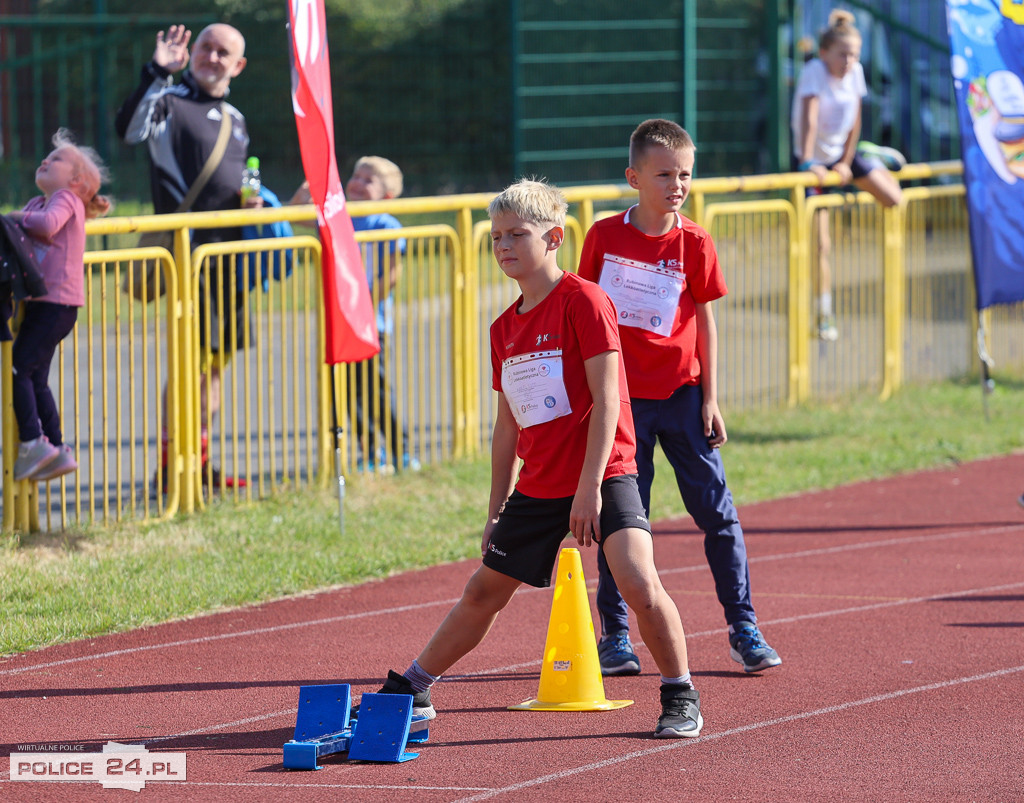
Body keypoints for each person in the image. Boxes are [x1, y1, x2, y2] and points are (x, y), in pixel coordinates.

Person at [355, 178, 704, 739]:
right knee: (482, 591)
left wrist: (591, 488)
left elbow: (610, 398)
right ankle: (415, 687)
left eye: (518, 234)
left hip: (606, 472)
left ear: (554, 237)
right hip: (540, 484)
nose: (505, 247)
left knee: (637, 581)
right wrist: (495, 509)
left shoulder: (585, 301)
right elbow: (507, 426)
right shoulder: (503, 329)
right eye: (496, 238)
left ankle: (680, 692)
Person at [577, 119, 782, 677]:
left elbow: (707, 321)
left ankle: (743, 627)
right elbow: (584, 319)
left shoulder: (694, 241)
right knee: (622, 520)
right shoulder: (603, 237)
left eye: (686, 174)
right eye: (664, 173)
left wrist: (712, 398)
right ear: (633, 178)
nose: (677, 184)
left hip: (684, 397)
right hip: (622, 406)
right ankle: (615, 635)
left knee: (718, 514)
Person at [114, 23, 260, 489]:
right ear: (192, 52)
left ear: (237, 66)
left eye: (224, 52)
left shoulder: (236, 118)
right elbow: (128, 129)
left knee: (214, 366)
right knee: (187, 366)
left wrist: (251, 203)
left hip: (228, 264)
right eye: (206, 47)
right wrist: (157, 70)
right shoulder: (167, 102)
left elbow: (236, 183)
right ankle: (171, 468)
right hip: (187, 260)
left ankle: (198, 461)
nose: (212, 57)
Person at [790, 9, 903, 341]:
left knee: (894, 198)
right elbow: (809, 118)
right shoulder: (814, 71)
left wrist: (847, 161)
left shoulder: (856, 73)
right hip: (812, 160)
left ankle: (870, 157)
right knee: (821, 245)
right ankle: (824, 314)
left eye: (854, 54)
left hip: (843, 155)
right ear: (824, 53)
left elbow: (854, 119)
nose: (849, 60)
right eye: (842, 54)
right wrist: (809, 162)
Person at [8, 129, 113, 482]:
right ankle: (56, 448)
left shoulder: (66, 200)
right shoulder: (39, 202)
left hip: (56, 304)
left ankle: (32, 443)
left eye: (55, 160)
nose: (45, 161)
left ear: (76, 180)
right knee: (36, 377)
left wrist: (10, 219)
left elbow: (48, 227)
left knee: (18, 369)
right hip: (49, 304)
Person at [345, 156, 418, 473]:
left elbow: (391, 275)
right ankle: (369, 453)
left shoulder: (386, 224)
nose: (358, 183)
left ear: (387, 196)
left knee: (375, 388)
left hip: (371, 322)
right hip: (343, 323)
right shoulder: (341, 217)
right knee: (350, 392)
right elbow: (300, 205)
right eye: (356, 176)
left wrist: (360, 309)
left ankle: (399, 449)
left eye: (368, 180)